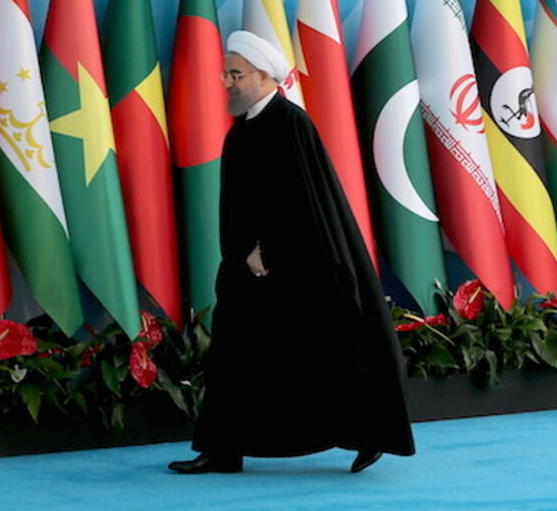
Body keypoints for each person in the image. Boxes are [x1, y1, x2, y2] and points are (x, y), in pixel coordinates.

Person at [168, 30, 415, 475]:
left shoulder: (290, 123)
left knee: (329, 353)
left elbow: (303, 204)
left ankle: (369, 436)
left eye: (236, 74)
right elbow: (238, 206)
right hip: (248, 268)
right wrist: (243, 253)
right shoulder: (243, 130)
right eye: (225, 74)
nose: (227, 82)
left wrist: (269, 253)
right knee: (234, 356)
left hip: (300, 270)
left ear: (265, 77)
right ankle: (223, 450)